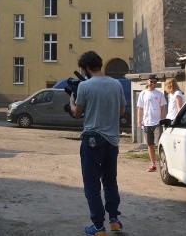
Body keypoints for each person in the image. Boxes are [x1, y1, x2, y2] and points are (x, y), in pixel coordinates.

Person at [69, 50, 125, 236]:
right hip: (112, 140)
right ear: (99, 64)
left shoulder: (85, 86)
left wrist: (71, 101)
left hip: (92, 138)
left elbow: (78, 113)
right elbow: (122, 110)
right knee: (110, 181)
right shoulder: (116, 84)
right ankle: (114, 220)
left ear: (85, 68)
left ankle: (98, 226)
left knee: (92, 184)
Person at [137, 74, 167, 173]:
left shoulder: (159, 94)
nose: (153, 84)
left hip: (157, 123)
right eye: (151, 81)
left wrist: (162, 120)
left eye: (155, 82)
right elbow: (140, 108)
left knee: (159, 143)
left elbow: (163, 108)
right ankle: (153, 164)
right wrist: (139, 121)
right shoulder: (143, 94)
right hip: (147, 122)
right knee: (150, 144)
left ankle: (164, 162)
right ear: (147, 81)